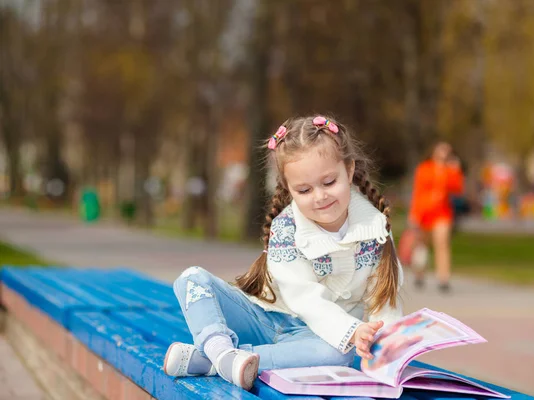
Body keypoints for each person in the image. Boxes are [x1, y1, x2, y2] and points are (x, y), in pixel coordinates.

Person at [162, 115, 404, 391]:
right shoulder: (286, 229)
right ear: (289, 189)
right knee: (192, 279)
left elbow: (385, 296)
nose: (320, 196)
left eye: (329, 182)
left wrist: (390, 344)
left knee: (339, 353)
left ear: (349, 170)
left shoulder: (375, 228)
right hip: (262, 319)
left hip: (315, 339)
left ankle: (212, 361)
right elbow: (304, 299)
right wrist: (351, 330)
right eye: (304, 189)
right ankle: (220, 349)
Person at [408, 142, 464, 293]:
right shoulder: (424, 168)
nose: (444, 154)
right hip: (425, 212)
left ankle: (443, 278)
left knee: (442, 243)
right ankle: (419, 274)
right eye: (441, 150)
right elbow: (418, 192)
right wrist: (414, 214)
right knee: (422, 246)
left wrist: (455, 171)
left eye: (447, 151)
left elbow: (457, 189)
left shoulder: (450, 170)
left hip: (443, 213)